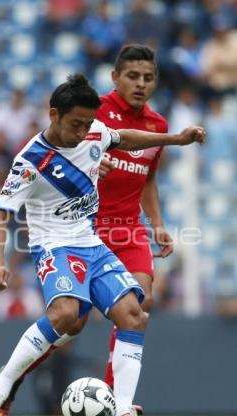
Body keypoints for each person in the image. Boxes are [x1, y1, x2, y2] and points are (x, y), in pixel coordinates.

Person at [0, 74, 205, 416]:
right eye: (75, 124)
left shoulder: (94, 131)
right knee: (67, 314)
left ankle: (124, 411)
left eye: (87, 124)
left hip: (91, 243)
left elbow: (124, 137)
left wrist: (174, 139)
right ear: (54, 115)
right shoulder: (31, 160)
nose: (83, 132)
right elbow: (0, 213)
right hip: (55, 245)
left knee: (134, 311)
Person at [95, 44, 173, 390]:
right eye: (133, 76)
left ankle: (116, 397)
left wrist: (157, 224)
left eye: (148, 77)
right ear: (115, 77)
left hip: (129, 229)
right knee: (69, 321)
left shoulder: (158, 125)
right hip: (87, 226)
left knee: (141, 302)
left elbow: (148, 179)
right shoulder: (94, 111)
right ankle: (7, 384)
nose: (141, 83)